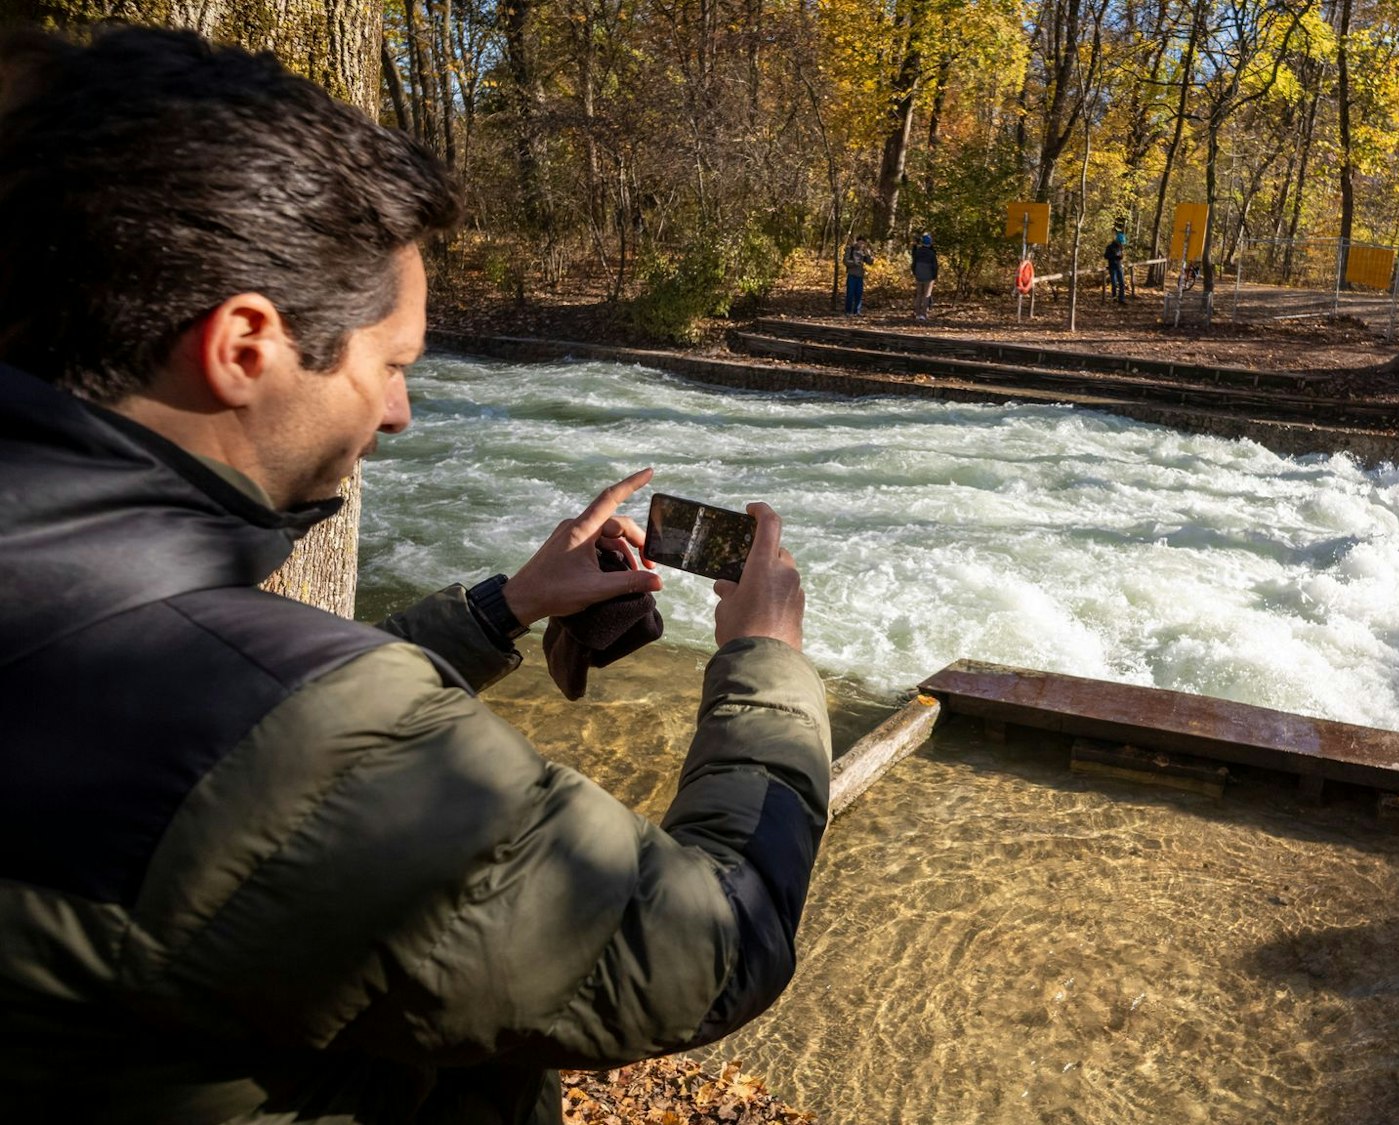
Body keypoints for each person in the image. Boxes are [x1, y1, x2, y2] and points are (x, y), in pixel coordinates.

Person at [0, 27, 830, 1124]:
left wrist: (506, 607)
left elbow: (223, 747)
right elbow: (706, 950)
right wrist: (766, 668)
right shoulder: (282, 736)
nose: (399, 412)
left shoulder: (78, 609)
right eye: (391, 365)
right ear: (244, 345)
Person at [910, 232, 939, 320]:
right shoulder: (931, 253)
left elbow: (913, 263)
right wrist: (934, 276)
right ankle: (923, 314)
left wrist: (915, 273)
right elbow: (935, 266)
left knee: (919, 295)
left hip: (919, 274)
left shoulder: (918, 252)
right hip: (928, 276)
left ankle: (917, 313)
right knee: (927, 295)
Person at [844, 235, 874, 315]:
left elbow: (870, 262)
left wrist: (868, 254)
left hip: (860, 275)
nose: (861, 245)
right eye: (860, 243)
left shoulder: (864, 252)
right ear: (857, 242)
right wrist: (854, 263)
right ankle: (848, 311)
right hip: (851, 274)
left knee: (859, 294)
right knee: (850, 294)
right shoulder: (850, 249)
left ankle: (857, 311)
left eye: (863, 244)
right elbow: (845, 261)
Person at [1104, 230, 1128, 304]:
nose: (1121, 244)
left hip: (1119, 266)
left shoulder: (1120, 247)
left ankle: (1121, 299)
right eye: (1120, 242)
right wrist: (1114, 256)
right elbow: (1106, 256)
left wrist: (1120, 256)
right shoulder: (1110, 247)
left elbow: (1121, 256)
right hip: (1112, 267)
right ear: (1117, 241)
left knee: (1122, 283)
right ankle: (1114, 298)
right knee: (1114, 283)